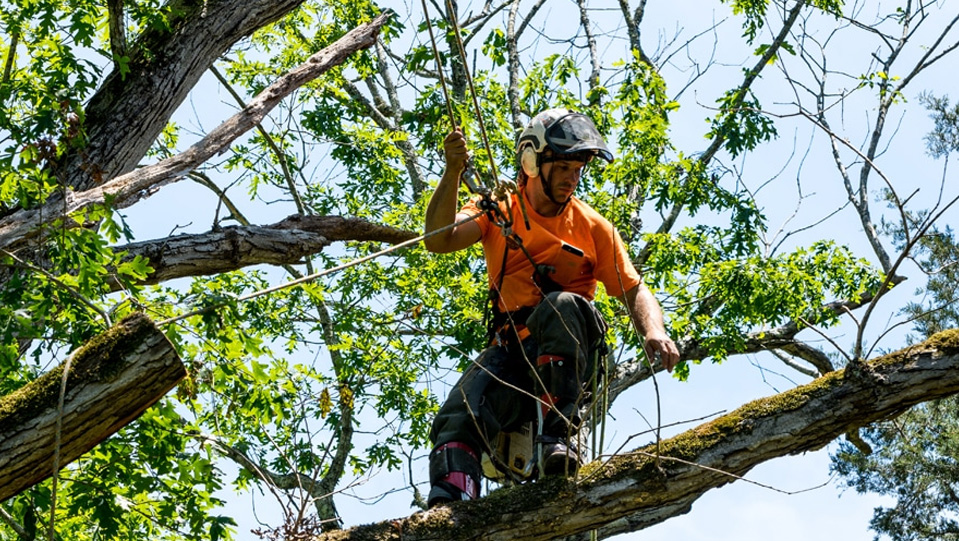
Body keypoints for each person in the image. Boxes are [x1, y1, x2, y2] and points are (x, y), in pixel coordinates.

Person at [423, 108, 680, 507]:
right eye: (562, 166)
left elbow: (634, 290)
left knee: (559, 305)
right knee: (460, 411)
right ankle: (451, 504)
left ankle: (559, 437)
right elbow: (440, 240)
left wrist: (654, 331)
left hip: (567, 361)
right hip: (513, 354)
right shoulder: (498, 208)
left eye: (578, 168)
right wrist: (453, 171)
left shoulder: (593, 227)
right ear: (531, 161)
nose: (572, 177)